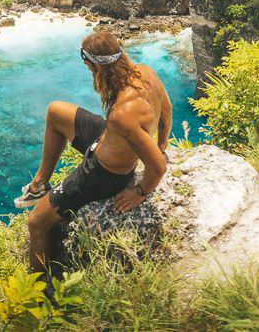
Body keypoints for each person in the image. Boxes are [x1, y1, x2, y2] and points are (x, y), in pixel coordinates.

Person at [15, 28, 173, 273]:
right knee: (55, 111)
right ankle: (39, 185)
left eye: (88, 65)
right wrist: (161, 145)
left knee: (36, 223)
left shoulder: (123, 114)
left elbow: (158, 167)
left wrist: (140, 191)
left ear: (97, 67)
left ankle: (36, 294)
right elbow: (167, 110)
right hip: (106, 138)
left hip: (102, 174)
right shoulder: (146, 73)